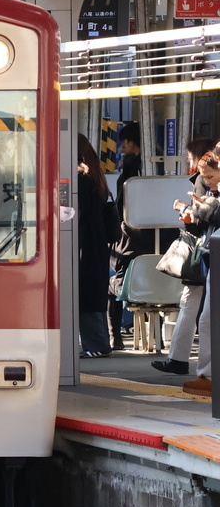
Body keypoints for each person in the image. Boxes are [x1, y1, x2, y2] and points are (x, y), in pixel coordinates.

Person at [152, 137, 217, 375]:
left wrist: (188, 210)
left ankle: (189, 364)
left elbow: (205, 217)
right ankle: (196, 368)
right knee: (202, 313)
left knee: (198, 310)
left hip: (205, 251)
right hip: (208, 249)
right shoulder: (207, 180)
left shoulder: (202, 179)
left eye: (190, 157)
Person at [170, 151, 220, 396]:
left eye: (210, 176)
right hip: (213, 253)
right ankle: (207, 374)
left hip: (215, 254)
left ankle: (210, 376)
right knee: (207, 318)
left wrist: (200, 209)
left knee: (209, 319)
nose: (207, 181)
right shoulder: (214, 192)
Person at [109, 123, 153, 350]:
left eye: (124, 141)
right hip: (153, 241)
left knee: (113, 283)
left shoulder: (130, 169)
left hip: (128, 240)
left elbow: (121, 202)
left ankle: (115, 335)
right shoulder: (154, 167)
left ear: (132, 141)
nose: (122, 146)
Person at [77, 135, 116, 357]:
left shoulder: (80, 178)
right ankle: (99, 343)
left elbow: (78, 213)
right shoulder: (94, 174)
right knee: (94, 292)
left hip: (85, 242)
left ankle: (97, 345)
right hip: (96, 241)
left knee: (86, 293)